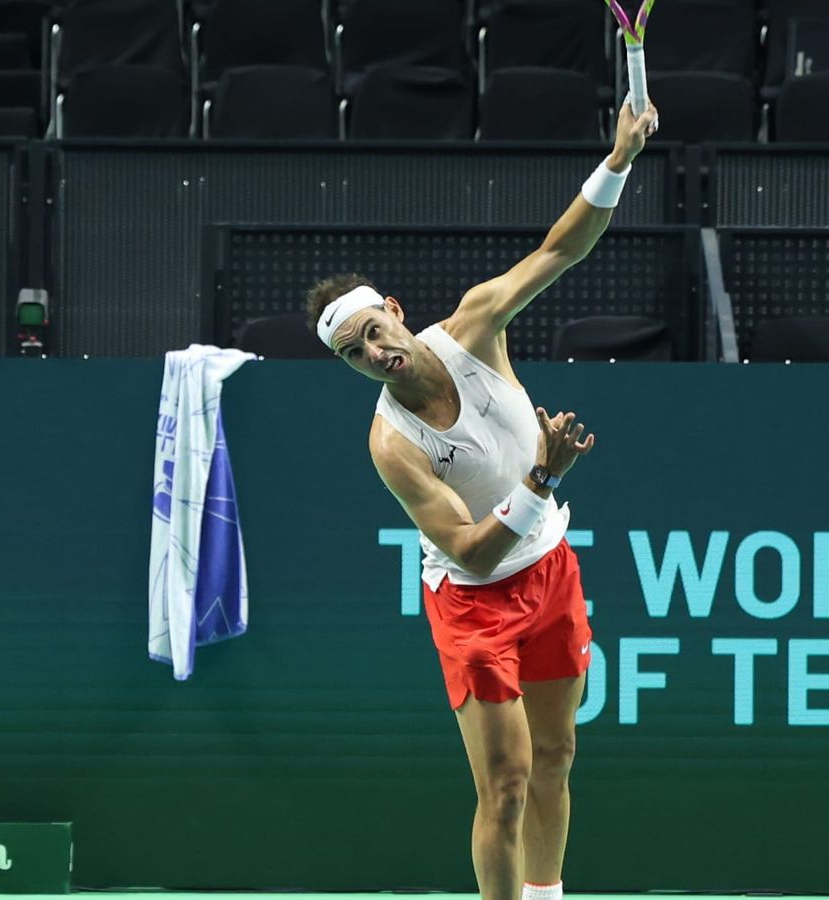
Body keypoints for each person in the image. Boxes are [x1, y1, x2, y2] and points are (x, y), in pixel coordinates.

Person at [304, 100, 660, 900]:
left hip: (551, 569)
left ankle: (546, 895)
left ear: (395, 311)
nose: (372, 352)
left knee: (558, 758)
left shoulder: (475, 325)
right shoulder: (391, 444)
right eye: (351, 352)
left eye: (372, 330)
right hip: (474, 603)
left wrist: (620, 158)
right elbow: (468, 550)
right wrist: (543, 479)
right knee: (504, 784)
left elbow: (560, 249)